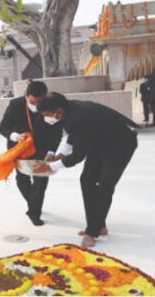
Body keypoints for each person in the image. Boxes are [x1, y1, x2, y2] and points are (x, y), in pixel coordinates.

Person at [32, 92, 140, 248]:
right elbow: (72, 134)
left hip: (121, 144)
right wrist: (61, 153)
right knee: (87, 180)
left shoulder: (82, 116)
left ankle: (92, 232)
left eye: (48, 115)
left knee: (105, 186)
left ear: (59, 111)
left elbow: (77, 157)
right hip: (98, 141)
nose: (47, 118)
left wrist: (49, 167)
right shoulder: (68, 110)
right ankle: (98, 225)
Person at [0, 80, 61, 226]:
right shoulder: (15, 105)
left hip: (42, 149)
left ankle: (34, 212)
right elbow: (3, 127)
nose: (36, 105)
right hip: (20, 149)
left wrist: (52, 150)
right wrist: (15, 136)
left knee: (41, 181)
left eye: (40, 102)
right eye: (32, 102)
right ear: (26, 95)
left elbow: (57, 132)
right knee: (22, 180)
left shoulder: (50, 106)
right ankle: (34, 202)